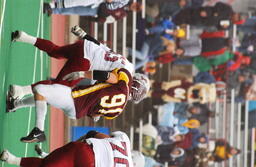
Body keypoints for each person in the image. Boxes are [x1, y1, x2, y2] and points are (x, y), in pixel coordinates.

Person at [6, 68, 150, 143]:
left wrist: (82, 74)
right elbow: (95, 116)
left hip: (75, 99)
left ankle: (39, 130)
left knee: (41, 90)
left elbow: (108, 77)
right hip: (77, 112)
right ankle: (15, 104)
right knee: (47, 97)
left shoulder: (125, 80)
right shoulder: (119, 110)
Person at [10, 25, 134, 99]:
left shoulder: (124, 61)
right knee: (56, 87)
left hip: (84, 46)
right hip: (85, 62)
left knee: (55, 51)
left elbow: (100, 46)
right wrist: (82, 74)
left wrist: (83, 34)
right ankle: (21, 91)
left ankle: (25, 37)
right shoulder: (123, 78)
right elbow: (106, 76)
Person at [0, 131, 137, 167]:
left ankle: (12, 159)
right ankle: (13, 159)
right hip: (85, 154)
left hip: (84, 150)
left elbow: (94, 134)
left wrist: (77, 143)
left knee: (47, 164)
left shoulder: (124, 140)